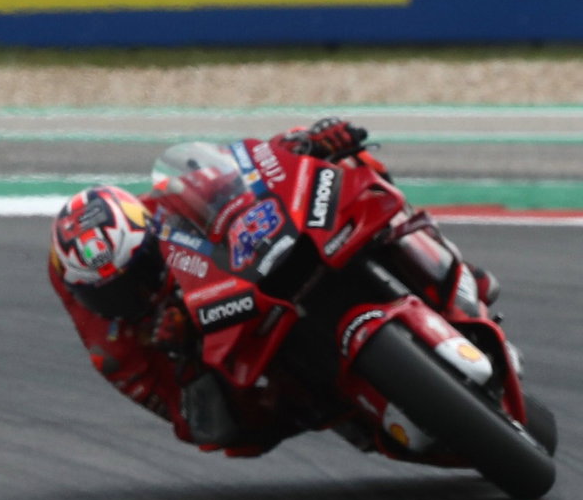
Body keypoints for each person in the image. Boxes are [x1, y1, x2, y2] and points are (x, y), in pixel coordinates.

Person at [45, 117, 499, 457]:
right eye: (113, 293)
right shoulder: (112, 342)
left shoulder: (162, 206)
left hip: (252, 269)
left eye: (139, 273)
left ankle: (448, 263)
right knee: (226, 426)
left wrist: (307, 143)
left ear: (147, 236)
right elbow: (190, 422)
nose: (133, 294)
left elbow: (249, 170)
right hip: (240, 348)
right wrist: (183, 358)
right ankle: (342, 400)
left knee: (351, 164)